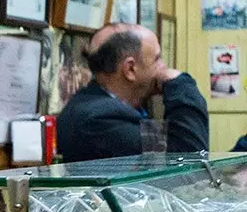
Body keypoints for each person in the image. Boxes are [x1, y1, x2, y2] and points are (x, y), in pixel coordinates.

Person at [57, 23, 209, 162]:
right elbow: (190, 159)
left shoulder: (99, 105)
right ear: (130, 69)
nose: (163, 67)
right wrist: (180, 84)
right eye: (157, 59)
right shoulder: (99, 120)